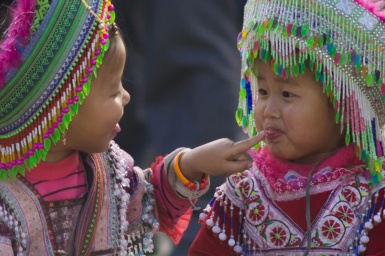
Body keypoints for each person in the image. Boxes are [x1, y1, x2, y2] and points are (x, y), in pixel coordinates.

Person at [0, 0, 261, 255]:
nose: (126, 97)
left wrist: (192, 163)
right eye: (114, 90)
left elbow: (148, 204)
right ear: (63, 104)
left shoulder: (110, 168)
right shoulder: (7, 203)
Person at [189, 0, 385, 255]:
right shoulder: (242, 194)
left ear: (340, 105)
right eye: (263, 91)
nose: (268, 110)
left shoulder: (372, 195)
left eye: (287, 94)